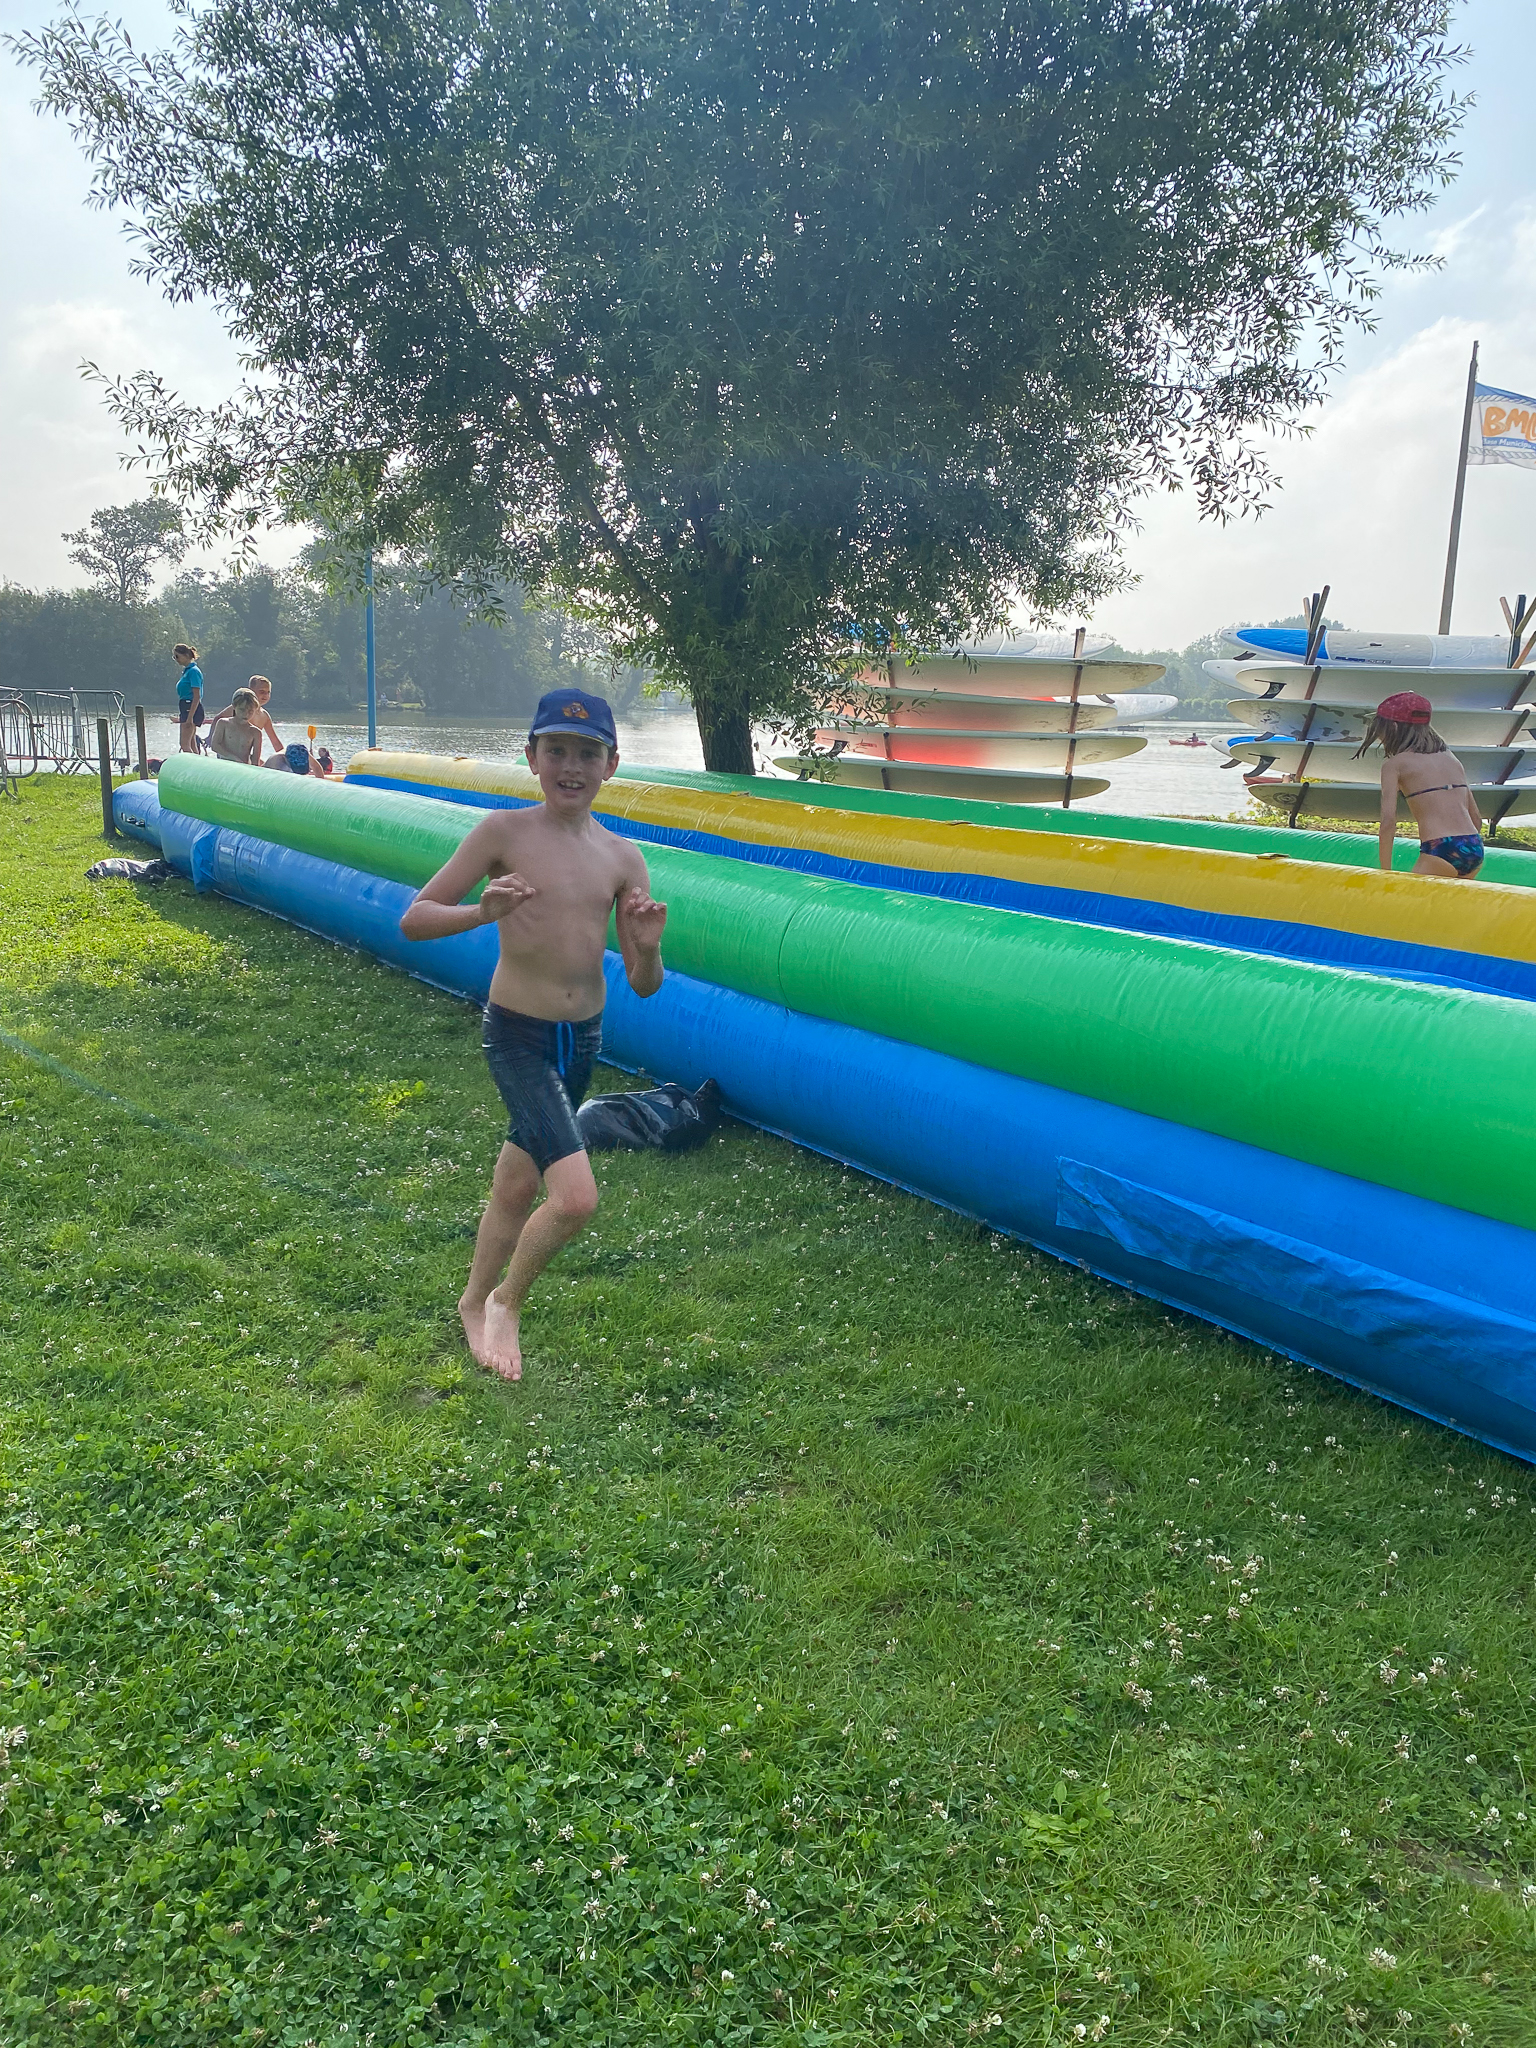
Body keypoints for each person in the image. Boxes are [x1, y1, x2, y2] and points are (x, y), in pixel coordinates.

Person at [399, 688, 666, 1381]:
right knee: (574, 1198)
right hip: (517, 1034)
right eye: (557, 751)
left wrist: (646, 948)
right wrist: (480, 913)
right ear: (531, 757)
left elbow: (643, 984)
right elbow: (416, 917)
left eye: (587, 754)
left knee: (518, 1184)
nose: (571, 766)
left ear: (611, 764)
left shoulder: (623, 858)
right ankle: (504, 1301)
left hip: (582, 1041)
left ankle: (469, 1301)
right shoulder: (503, 834)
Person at [1357, 691, 1484, 878]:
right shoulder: (1451, 759)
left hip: (1440, 848)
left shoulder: (1395, 765)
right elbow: (1476, 818)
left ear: (1393, 728)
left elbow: (1388, 822)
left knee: (1406, 897)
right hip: (1473, 845)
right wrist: (1465, 848)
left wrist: (1384, 872)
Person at [205, 675, 282, 759]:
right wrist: (210, 736)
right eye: (262, 692)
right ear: (251, 690)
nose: (265, 695)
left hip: (245, 754)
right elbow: (218, 718)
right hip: (227, 753)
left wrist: (284, 755)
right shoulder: (239, 707)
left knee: (264, 763)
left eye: (268, 692)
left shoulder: (264, 716)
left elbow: (275, 741)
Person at [205, 687, 264, 765]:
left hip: (243, 766)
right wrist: (232, 757)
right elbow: (215, 745)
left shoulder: (255, 732)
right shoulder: (223, 723)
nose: (246, 714)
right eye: (242, 710)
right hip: (225, 764)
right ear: (234, 706)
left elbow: (255, 760)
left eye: (250, 711)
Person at [173, 643, 203, 753]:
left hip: (190, 706)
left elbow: (197, 696)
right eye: (174, 657)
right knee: (191, 743)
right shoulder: (187, 671)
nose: (176, 659)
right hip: (185, 706)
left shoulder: (193, 671)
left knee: (184, 744)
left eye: (177, 656)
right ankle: (197, 761)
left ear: (186, 655)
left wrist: (190, 717)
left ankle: (190, 763)